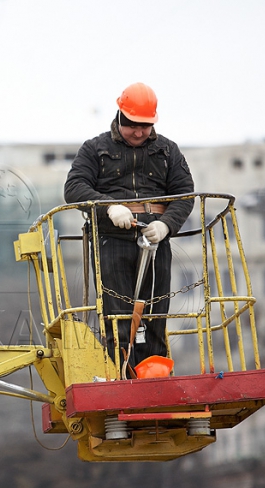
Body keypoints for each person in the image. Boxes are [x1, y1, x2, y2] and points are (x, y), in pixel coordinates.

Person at [63, 82, 195, 369]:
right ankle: (121, 376)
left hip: (156, 240)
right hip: (113, 240)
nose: (138, 132)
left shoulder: (168, 151)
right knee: (118, 319)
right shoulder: (94, 149)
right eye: (133, 125)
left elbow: (185, 194)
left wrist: (167, 225)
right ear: (120, 116)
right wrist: (109, 206)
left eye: (145, 126)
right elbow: (74, 187)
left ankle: (154, 378)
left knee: (155, 316)